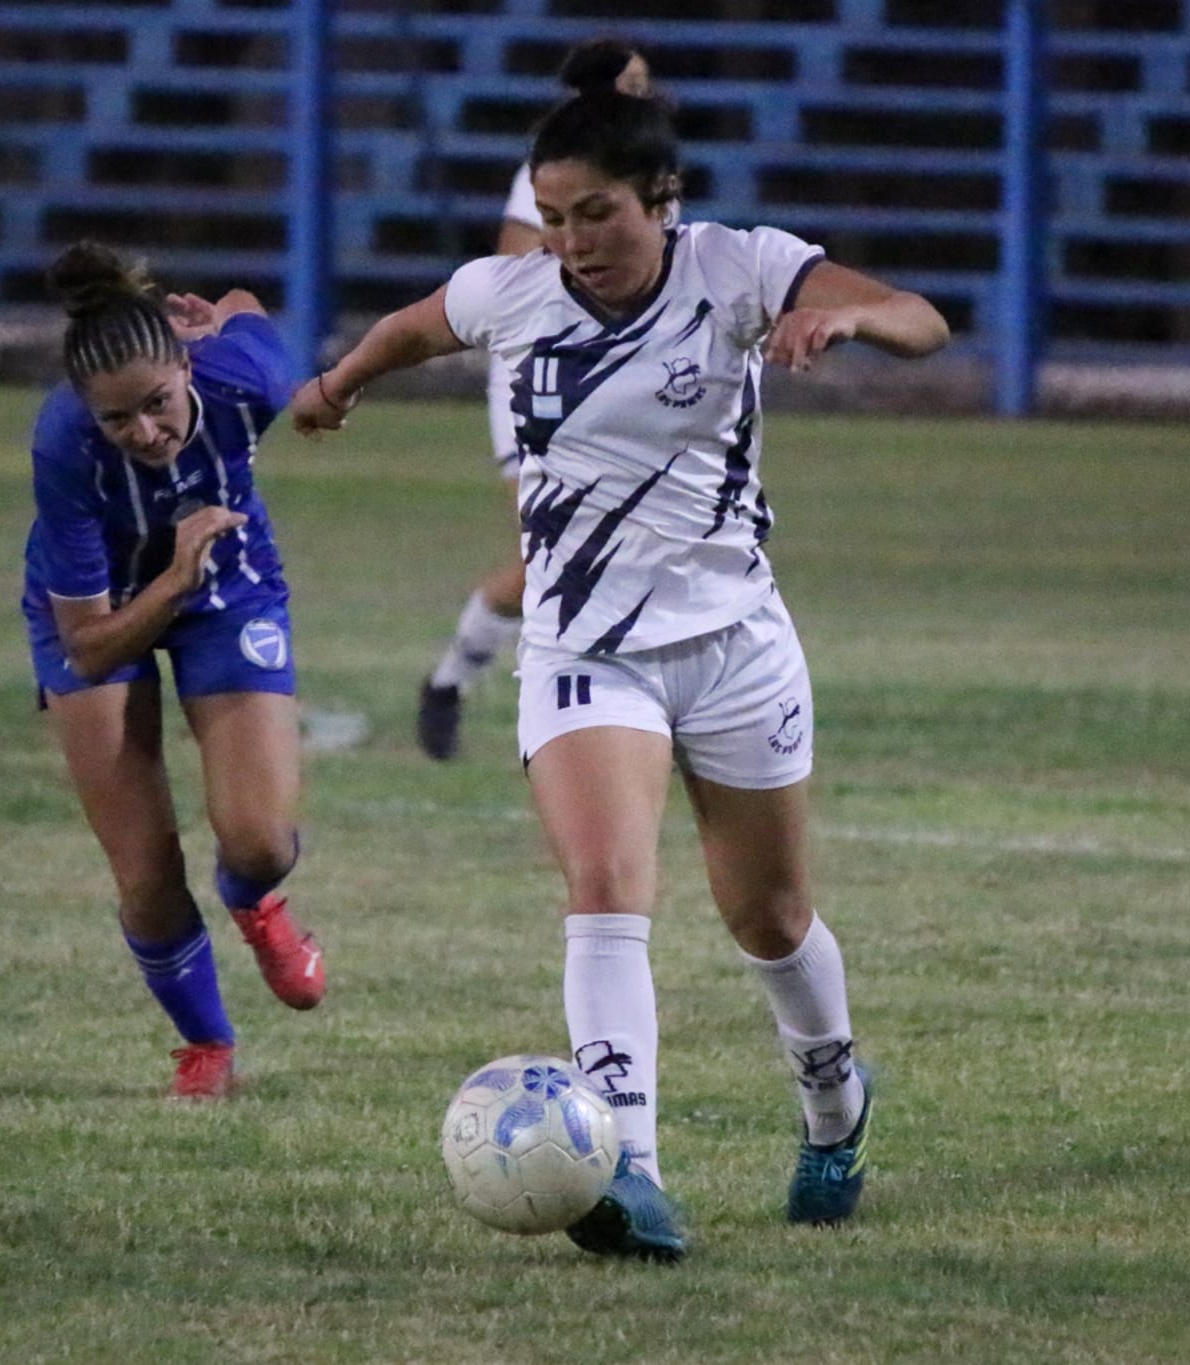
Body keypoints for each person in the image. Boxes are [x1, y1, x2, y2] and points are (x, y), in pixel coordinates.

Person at [293, 91, 948, 1258]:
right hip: (584, 650)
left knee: (769, 916)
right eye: (550, 216)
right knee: (604, 889)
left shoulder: (739, 268)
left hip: (733, 642)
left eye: (593, 213)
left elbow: (920, 318)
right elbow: (410, 325)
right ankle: (629, 1171)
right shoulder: (517, 295)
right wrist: (338, 385)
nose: (568, 241)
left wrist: (845, 326)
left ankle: (834, 1109)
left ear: (661, 200)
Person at [24, 242, 327, 1100]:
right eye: (118, 419)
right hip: (100, 612)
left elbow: (246, 298)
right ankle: (208, 1044)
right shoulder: (64, 448)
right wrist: (169, 580)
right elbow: (88, 646)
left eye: (158, 404)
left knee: (260, 837)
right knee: (147, 875)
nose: (146, 433)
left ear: (188, 364)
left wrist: (223, 308)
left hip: (228, 585)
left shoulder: (249, 382)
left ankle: (254, 900)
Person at [417, 37, 654, 761]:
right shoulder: (561, 164)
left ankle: (600, 706)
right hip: (544, 383)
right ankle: (473, 685)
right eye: (636, 82)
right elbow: (516, 265)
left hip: (624, 385)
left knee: (618, 549)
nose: (650, 92)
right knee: (557, 552)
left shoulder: (651, 167)